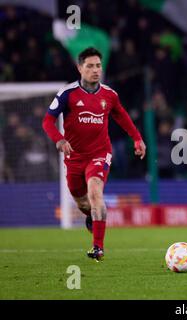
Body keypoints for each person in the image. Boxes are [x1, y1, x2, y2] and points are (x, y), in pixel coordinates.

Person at [42, 47, 146, 261]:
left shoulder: (109, 95)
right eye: (90, 66)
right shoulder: (67, 94)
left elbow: (122, 117)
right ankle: (91, 215)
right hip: (74, 157)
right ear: (80, 68)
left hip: (99, 154)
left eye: (98, 65)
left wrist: (137, 138)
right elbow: (47, 121)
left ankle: (98, 247)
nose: (95, 70)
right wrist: (59, 139)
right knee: (81, 201)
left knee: (95, 193)